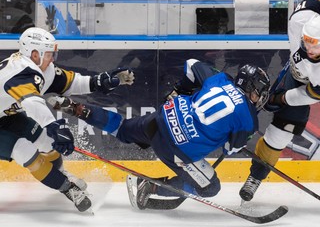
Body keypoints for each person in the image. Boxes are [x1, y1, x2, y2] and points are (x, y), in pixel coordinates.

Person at [48, 59, 270, 210]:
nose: (259, 98)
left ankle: (80, 109)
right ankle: (149, 186)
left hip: (161, 120)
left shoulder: (219, 79)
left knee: (123, 130)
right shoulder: (249, 119)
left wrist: (180, 91)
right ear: (251, 88)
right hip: (177, 149)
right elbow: (231, 149)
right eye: (259, 92)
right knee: (211, 187)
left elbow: (192, 65)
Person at [0, 27, 134, 212]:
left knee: (47, 142)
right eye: (49, 54)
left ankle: (62, 175)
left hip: (7, 115)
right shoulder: (19, 72)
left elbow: (70, 82)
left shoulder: (41, 68)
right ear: (34, 54)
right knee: (24, 151)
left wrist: (97, 82)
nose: (53, 58)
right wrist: (54, 125)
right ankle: (68, 189)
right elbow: (32, 103)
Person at [239, 0, 320, 202]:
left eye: (316, 46)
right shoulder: (300, 19)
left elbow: (311, 94)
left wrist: (281, 99)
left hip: (312, 88)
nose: (309, 49)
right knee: (282, 132)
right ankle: (256, 176)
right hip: (298, 76)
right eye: (307, 42)